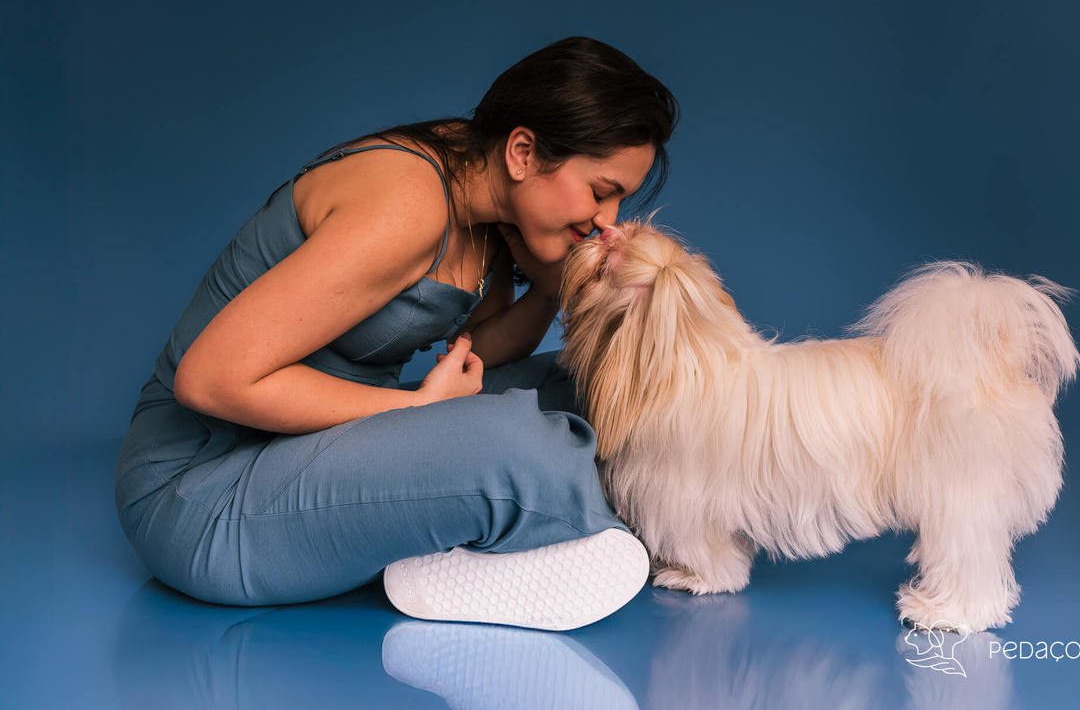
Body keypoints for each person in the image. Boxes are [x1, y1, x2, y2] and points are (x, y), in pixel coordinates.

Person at [114, 36, 679, 630]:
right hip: (204, 493)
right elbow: (208, 381)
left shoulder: (480, 186)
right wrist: (417, 409)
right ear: (522, 152)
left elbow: (478, 357)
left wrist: (546, 289)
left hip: (317, 449)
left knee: (579, 382)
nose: (607, 222)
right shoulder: (409, 204)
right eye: (601, 192)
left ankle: (512, 528)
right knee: (517, 443)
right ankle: (588, 522)